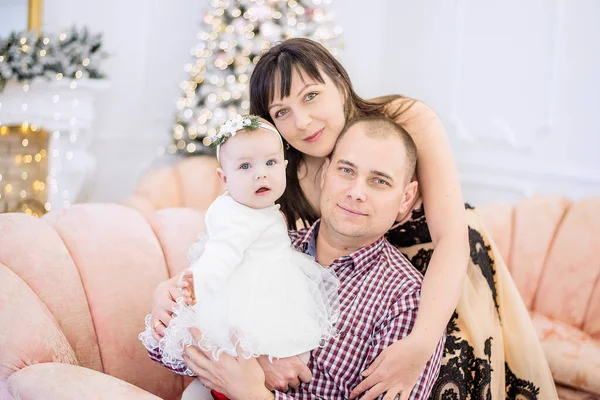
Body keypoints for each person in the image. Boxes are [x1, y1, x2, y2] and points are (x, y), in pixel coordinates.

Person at [149, 39, 558, 399]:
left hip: (443, 267)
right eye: (282, 111)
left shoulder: (406, 119)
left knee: (455, 375)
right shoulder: (289, 170)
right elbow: (254, 252)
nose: (302, 122)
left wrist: (421, 341)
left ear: (341, 83)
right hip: (362, 271)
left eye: (311, 97)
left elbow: (452, 238)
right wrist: (187, 288)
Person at [154, 116, 446, 399]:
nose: (356, 192)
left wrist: (253, 394)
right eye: (346, 171)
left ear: (406, 198)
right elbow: (162, 347)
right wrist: (167, 301)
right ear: (325, 172)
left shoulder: (409, 301)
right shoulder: (268, 245)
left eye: (379, 181)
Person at [139, 115, 340, 397]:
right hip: (243, 300)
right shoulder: (236, 216)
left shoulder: (261, 209)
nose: (261, 174)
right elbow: (221, 253)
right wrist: (201, 282)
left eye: (270, 163)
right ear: (224, 178)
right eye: (245, 166)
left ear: (284, 167)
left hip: (270, 289)